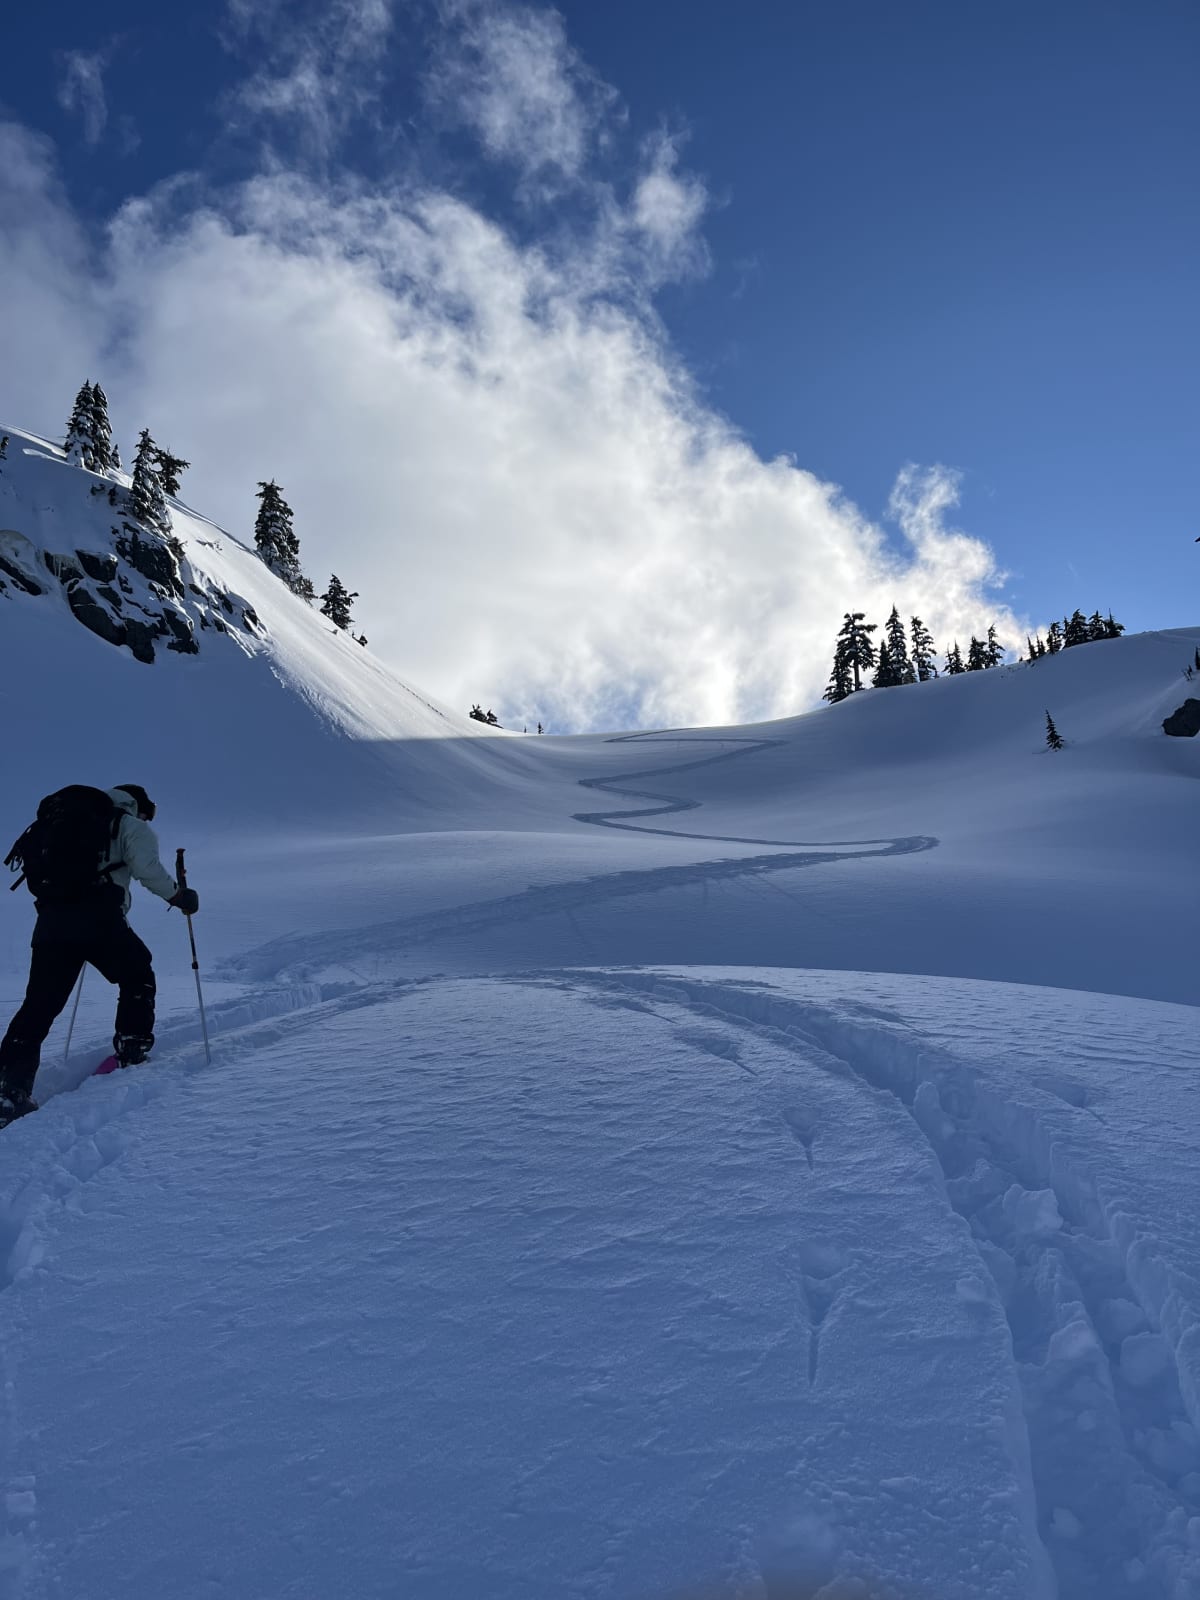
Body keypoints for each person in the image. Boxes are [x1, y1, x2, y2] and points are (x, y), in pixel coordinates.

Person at [0, 784, 199, 1122]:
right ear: (139, 807)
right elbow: (147, 870)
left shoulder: (68, 820)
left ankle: (9, 1091)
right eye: (147, 814)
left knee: (39, 1005)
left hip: (50, 921)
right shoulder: (128, 825)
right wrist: (179, 897)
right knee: (137, 973)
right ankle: (132, 1048)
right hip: (99, 918)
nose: (146, 820)